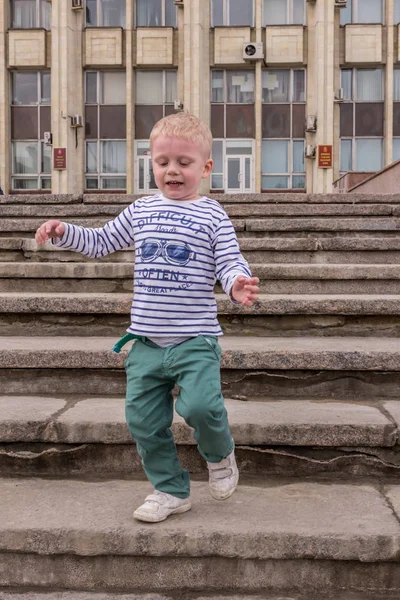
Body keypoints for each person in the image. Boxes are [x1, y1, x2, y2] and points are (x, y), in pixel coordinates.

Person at [35, 113, 260, 523]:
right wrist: (64, 231)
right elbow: (102, 241)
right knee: (142, 421)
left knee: (201, 408)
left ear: (205, 168)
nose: (172, 170)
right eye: (162, 162)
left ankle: (220, 454)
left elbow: (229, 261)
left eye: (184, 163)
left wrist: (236, 283)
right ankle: (170, 489)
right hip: (145, 343)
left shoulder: (213, 216)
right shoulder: (141, 210)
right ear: (151, 164)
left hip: (194, 340)